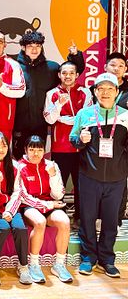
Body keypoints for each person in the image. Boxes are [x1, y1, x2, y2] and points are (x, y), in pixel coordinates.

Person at [70, 72, 128, 278]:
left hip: (117, 178)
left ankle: (107, 260)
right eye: (100, 88)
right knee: (87, 219)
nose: (105, 92)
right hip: (89, 176)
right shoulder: (84, 114)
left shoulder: (125, 116)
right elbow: (73, 139)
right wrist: (81, 139)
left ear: (117, 92)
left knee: (111, 221)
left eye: (109, 88)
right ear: (94, 92)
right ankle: (88, 258)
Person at [13, 33, 84, 160]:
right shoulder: (15, 67)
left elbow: (71, 73)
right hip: (19, 126)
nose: (34, 50)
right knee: (19, 161)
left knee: (38, 159)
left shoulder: (52, 68)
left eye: (38, 46)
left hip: (41, 125)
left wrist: (75, 56)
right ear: (23, 47)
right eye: (30, 46)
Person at [44, 61, 92, 227]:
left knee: (81, 185)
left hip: (80, 147)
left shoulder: (85, 92)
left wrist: (63, 119)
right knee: (59, 185)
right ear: (59, 75)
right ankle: (60, 218)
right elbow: (50, 119)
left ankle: (80, 218)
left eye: (71, 73)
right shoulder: (52, 94)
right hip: (60, 147)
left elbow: (86, 117)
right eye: (64, 73)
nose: (68, 76)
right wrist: (59, 105)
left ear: (77, 75)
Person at [19, 135, 73, 284]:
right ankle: (34, 264)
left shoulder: (51, 165)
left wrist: (53, 175)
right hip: (29, 206)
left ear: (44, 151)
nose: (35, 154)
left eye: (39, 150)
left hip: (50, 203)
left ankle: (59, 265)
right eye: (32, 150)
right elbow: (23, 197)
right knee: (40, 222)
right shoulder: (20, 167)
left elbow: (58, 195)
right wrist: (47, 205)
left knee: (64, 222)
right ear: (26, 150)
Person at [0, 132, 32, 286]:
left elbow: (17, 192)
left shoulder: (15, 165)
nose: (0, 149)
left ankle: (23, 266)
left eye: (4, 145)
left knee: (20, 228)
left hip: (9, 206)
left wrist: (10, 211)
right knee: (3, 227)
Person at [93, 52, 128, 230]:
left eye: (121, 65)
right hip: (100, 142)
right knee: (98, 182)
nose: (116, 68)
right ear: (105, 67)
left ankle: (117, 219)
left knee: (121, 182)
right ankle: (98, 217)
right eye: (113, 65)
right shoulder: (97, 89)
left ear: (125, 69)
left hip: (122, 143)